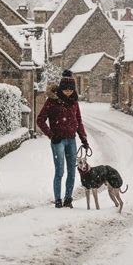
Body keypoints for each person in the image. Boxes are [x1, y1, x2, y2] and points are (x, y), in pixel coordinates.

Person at [37, 69, 89, 208]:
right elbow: (40, 120)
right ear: (61, 88)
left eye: (70, 90)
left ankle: (68, 199)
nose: (68, 92)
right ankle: (58, 199)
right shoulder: (52, 101)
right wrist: (51, 135)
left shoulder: (74, 102)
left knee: (72, 171)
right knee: (60, 171)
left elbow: (79, 121)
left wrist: (84, 139)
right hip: (58, 141)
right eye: (65, 89)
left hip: (71, 140)